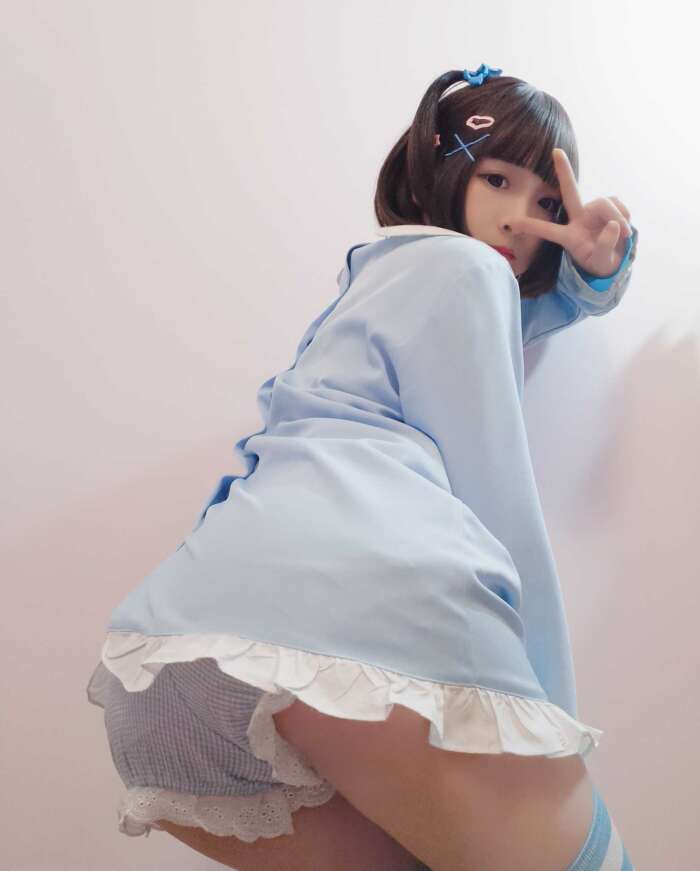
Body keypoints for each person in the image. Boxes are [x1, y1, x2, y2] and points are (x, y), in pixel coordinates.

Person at [86, 64, 638, 870]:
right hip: (357, 612)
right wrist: (542, 700)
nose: (521, 219)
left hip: (182, 653)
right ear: (443, 164)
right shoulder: (471, 271)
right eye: (498, 180)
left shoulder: (378, 273)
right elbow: (495, 484)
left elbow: (506, 312)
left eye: (547, 205)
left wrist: (587, 270)